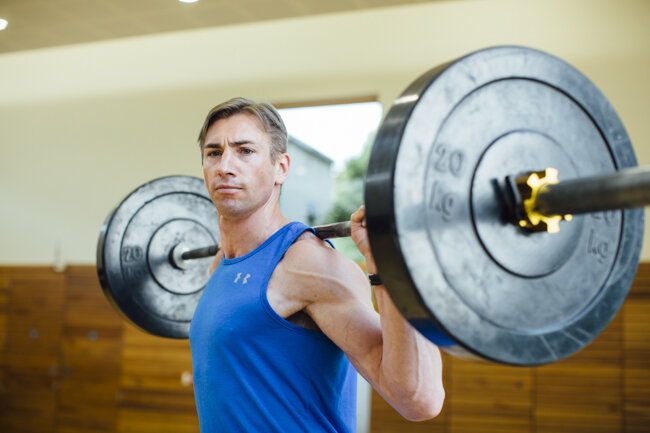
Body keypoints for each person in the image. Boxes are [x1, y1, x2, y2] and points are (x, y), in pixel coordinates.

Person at [189, 97, 444, 432]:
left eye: (245, 150)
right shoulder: (221, 263)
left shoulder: (309, 263)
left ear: (281, 167)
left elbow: (418, 399)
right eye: (214, 152)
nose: (225, 165)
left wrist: (392, 264)